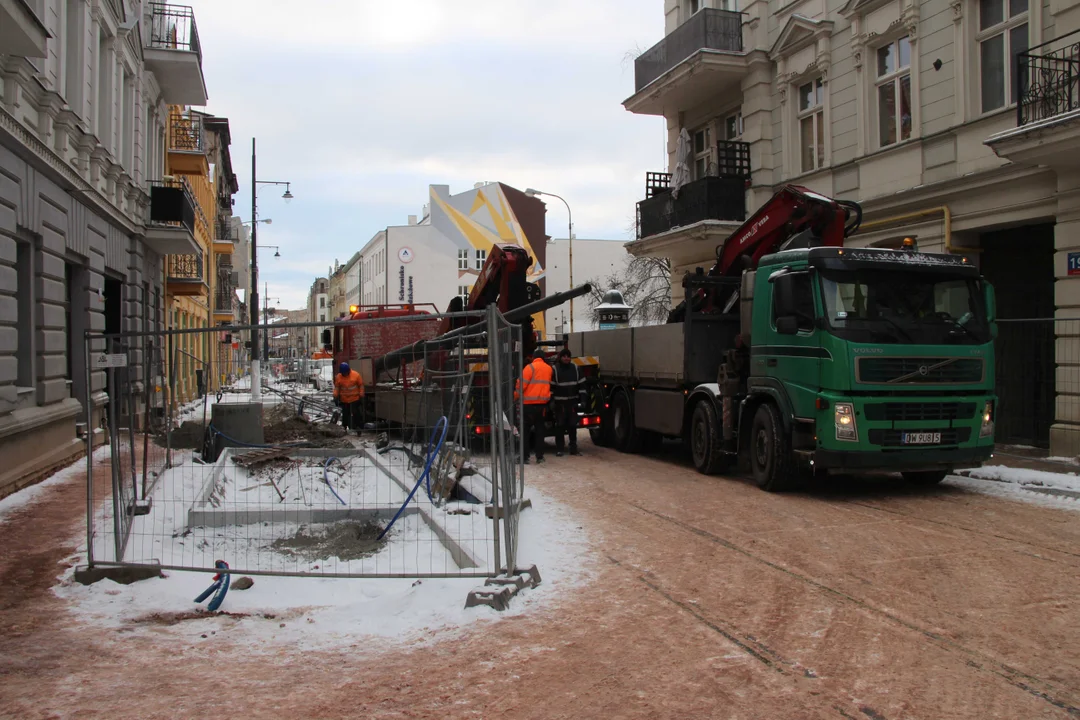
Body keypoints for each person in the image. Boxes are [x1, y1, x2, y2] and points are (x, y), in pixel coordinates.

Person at [515, 349, 552, 464]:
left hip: (528, 406)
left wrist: (515, 397)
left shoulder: (529, 368)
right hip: (542, 406)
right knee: (540, 431)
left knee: (525, 432)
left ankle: (524, 457)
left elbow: (521, 385)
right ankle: (539, 456)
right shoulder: (549, 369)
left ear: (534, 357)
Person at [552, 348, 584, 457]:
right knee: (560, 426)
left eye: (568, 356)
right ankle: (560, 449)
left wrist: (583, 400)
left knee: (572, 426)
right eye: (564, 356)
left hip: (572, 403)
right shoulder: (555, 370)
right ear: (560, 357)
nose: (566, 358)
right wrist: (551, 402)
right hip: (560, 404)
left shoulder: (575, 368)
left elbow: (582, 386)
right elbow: (551, 388)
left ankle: (573, 448)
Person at [333, 362, 365, 434]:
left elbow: (361, 385)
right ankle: (344, 428)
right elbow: (337, 387)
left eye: (345, 373)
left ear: (348, 371)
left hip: (354, 399)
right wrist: (335, 395)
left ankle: (358, 428)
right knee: (345, 415)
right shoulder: (339, 377)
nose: (344, 374)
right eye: (343, 373)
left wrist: (361, 394)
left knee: (356, 414)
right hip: (344, 400)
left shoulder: (355, 375)